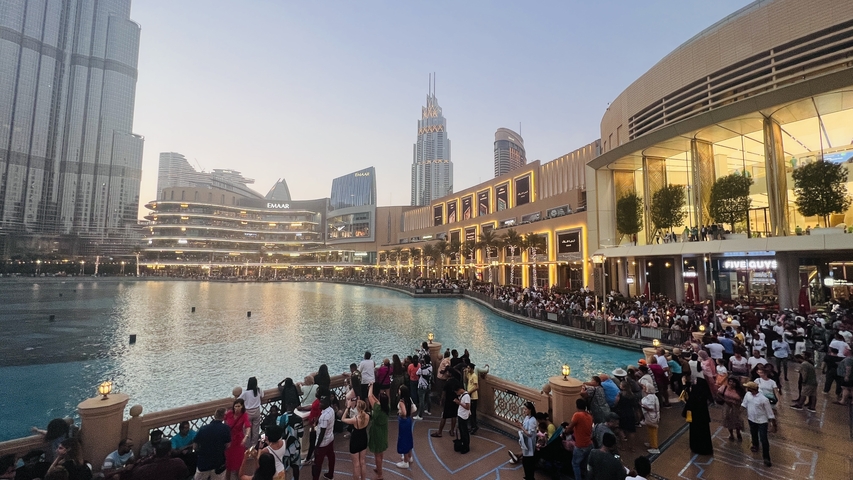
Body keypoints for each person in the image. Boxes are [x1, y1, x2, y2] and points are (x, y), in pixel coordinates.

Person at [742, 381, 775, 467]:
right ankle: (755, 445)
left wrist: (773, 424)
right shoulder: (748, 395)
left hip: (762, 421)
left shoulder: (763, 399)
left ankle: (766, 458)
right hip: (751, 419)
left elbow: (770, 413)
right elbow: (744, 404)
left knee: (764, 439)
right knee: (753, 433)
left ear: (752, 389)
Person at [194, 408, 231, 480]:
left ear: (214, 416)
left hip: (203, 462)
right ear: (224, 417)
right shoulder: (225, 428)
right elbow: (228, 445)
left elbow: (195, 445)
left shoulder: (203, 428)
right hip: (218, 462)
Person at [341, 398, 369, 480]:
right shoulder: (367, 416)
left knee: (356, 464)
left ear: (358, 408)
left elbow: (343, 419)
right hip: (364, 438)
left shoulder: (355, 419)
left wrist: (347, 408)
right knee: (363, 462)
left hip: (355, 440)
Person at [566, 398, 594, 480]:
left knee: (575, 464)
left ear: (577, 406)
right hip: (589, 444)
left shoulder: (577, 415)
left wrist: (566, 430)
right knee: (585, 465)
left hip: (580, 446)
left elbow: (570, 427)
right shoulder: (589, 416)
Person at [367, 383, 389, 480]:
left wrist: (371, 386)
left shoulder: (377, 408)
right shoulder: (386, 407)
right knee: (381, 452)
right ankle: (378, 468)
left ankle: (380, 475)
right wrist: (377, 397)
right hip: (383, 431)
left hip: (377, 431)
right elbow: (376, 400)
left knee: (377, 453)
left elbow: (369, 396)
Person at [225, 399, 251, 480]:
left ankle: (238, 476)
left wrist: (246, 436)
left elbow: (248, 426)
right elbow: (224, 423)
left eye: (239, 406)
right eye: (235, 406)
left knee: (238, 461)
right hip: (229, 439)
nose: (237, 408)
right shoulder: (229, 413)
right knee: (228, 462)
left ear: (242, 406)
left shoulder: (244, 415)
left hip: (238, 440)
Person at [277, 400, 304, 480]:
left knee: (282, 468)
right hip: (295, 446)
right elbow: (301, 434)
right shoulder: (298, 419)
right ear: (294, 406)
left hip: (283, 447)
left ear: (285, 406)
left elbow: (277, 433)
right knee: (295, 467)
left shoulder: (279, 418)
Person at [311, 396, 335, 480]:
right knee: (331, 456)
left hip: (323, 443)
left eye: (321, 403)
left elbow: (322, 433)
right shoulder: (331, 410)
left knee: (317, 463)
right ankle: (330, 474)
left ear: (327, 404)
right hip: (330, 438)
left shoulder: (324, 416)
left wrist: (317, 446)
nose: (319, 404)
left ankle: (315, 478)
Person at [239, 377, 264, 449]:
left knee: (247, 430)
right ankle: (254, 446)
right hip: (257, 411)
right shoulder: (259, 390)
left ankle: (247, 446)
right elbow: (263, 395)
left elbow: (239, 400)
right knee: (256, 430)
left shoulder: (245, 393)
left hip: (248, 413)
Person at [395, 385, 416, 469]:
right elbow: (413, 409)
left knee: (403, 439)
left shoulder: (401, 401)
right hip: (408, 420)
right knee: (408, 438)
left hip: (403, 421)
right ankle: (410, 456)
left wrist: (399, 413)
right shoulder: (409, 399)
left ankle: (405, 461)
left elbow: (403, 412)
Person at [720, 377, 745, 441]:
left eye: (733, 382)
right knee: (728, 419)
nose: (731, 383)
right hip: (727, 406)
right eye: (730, 381)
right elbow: (718, 393)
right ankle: (731, 434)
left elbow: (743, 398)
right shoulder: (725, 387)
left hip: (736, 407)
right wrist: (725, 400)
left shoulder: (739, 390)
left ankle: (738, 433)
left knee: (737, 420)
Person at [517, 401, 538, 480]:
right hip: (525, 442)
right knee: (525, 462)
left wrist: (521, 427)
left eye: (526, 409)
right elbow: (525, 428)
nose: (524, 411)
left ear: (530, 410)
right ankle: (527, 476)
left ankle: (530, 477)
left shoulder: (533, 420)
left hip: (530, 443)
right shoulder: (527, 418)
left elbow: (530, 434)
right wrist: (520, 425)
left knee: (528, 462)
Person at [640, 383, 660, 455]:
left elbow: (650, 408)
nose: (643, 389)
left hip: (651, 416)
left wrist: (641, 405)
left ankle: (655, 447)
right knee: (650, 430)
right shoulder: (653, 396)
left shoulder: (650, 397)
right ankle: (652, 443)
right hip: (651, 416)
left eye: (645, 387)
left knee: (653, 431)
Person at [454, 383, 471, 454]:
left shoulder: (466, 396)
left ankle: (466, 446)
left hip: (463, 416)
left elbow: (467, 407)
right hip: (461, 415)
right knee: (461, 431)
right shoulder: (463, 395)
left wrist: (459, 403)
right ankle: (463, 444)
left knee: (464, 432)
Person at [416, 354, 433, 418]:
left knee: (421, 401)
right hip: (428, 385)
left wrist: (421, 365)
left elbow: (417, 373)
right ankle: (428, 410)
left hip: (422, 386)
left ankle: (420, 415)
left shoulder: (422, 368)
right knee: (428, 398)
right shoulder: (431, 367)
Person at [466, 363, 479, 434]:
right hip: (470, 397)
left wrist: (470, 392)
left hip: (474, 397)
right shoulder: (469, 375)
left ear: (471, 368)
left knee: (473, 413)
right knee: (470, 412)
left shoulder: (474, 376)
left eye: (468, 368)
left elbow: (477, 387)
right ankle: (472, 426)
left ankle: (474, 426)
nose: (467, 369)